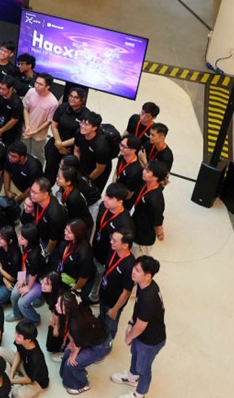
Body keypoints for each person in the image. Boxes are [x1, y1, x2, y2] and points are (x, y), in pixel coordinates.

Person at [111, 256, 166, 398]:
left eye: (137, 270)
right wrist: (130, 324)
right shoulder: (143, 285)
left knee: (144, 369)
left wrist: (129, 336)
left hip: (150, 341)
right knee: (135, 355)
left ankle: (140, 394)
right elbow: (137, 312)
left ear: (147, 276)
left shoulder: (149, 297)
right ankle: (131, 377)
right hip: (141, 336)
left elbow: (141, 326)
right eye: (134, 268)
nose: (133, 272)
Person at [58, 291, 113, 394]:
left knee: (72, 364)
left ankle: (82, 385)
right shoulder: (75, 311)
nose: (56, 306)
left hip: (101, 346)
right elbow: (73, 335)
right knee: (66, 354)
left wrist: (74, 353)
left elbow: (78, 343)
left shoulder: (77, 324)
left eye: (59, 304)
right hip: (89, 339)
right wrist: (71, 346)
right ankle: (75, 373)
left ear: (68, 308)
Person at [130, 160, 168, 255]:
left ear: (156, 177)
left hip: (143, 237)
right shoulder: (144, 184)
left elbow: (157, 220)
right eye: (145, 169)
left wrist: (160, 233)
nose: (143, 172)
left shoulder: (155, 199)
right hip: (135, 225)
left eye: (147, 171)